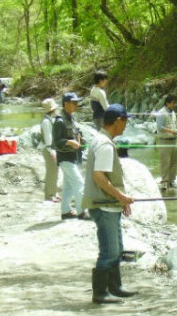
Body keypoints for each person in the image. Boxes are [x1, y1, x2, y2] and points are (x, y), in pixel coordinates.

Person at [82, 103, 137, 304]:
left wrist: (120, 200)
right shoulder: (105, 144)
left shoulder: (100, 139)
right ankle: (100, 294)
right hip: (103, 206)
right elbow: (99, 177)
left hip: (108, 204)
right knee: (109, 251)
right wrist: (122, 197)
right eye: (125, 121)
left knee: (117, 248)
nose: (126, 126)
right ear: (117, 121)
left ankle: (115, 287)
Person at [52, 92, 89, 220]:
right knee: (79, 184)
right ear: (66, 104)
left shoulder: (71, 118)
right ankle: (82, 212)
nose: (76, 105)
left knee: (68, 186)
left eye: (76, 102)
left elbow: (77, 134)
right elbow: (56, 143)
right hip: (65, 158)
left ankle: (66, 211)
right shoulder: (59, 121)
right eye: (73, 102)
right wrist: (69, 142)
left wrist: (80, 141)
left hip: (73, 157)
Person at [156, 94, 177, 191]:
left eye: (175, 103)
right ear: (167, 103)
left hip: (174, 141)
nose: (174, 105)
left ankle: (172, 181)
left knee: (174, 161)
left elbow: (175, 123)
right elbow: (159, 127)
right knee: (165, 162)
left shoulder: (173, 113)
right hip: (164, 141)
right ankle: (164, 182)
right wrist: (171, 131)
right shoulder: (161, 113)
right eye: (173, 103)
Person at [40, 98, 61, 203]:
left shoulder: (49, 119)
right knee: (51, 172)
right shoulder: (46, 122)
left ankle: (54, 192)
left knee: (55, 171)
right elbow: (48, 139)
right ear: (53, 110)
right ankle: (49, 195)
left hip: (51, 149)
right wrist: (52, 152)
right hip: (49, 149)